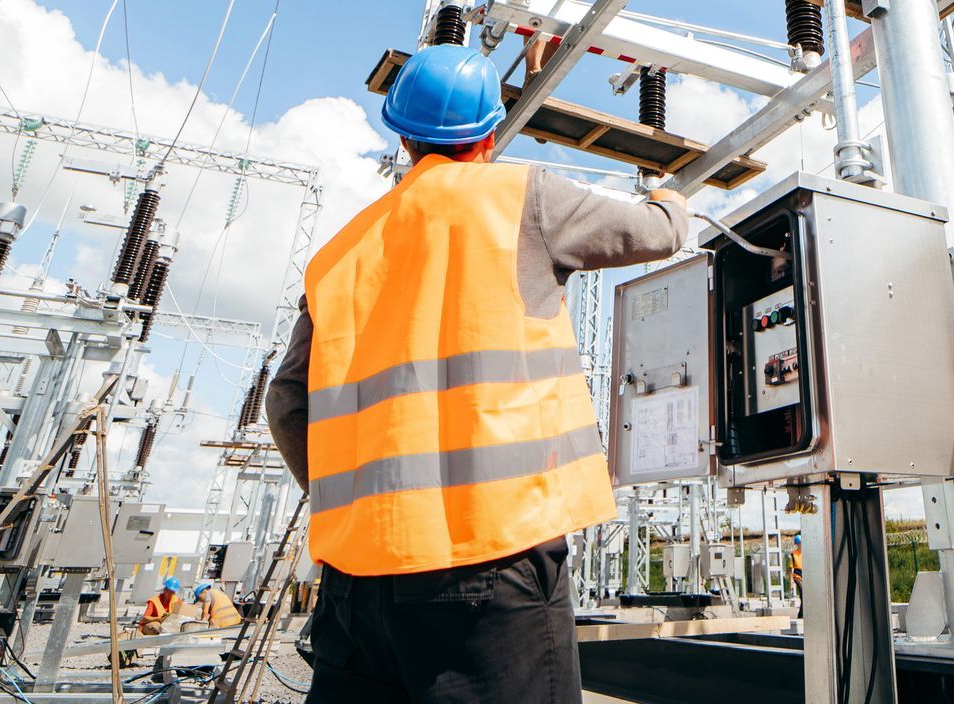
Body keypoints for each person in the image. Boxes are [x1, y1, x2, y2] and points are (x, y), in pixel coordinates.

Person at [266, 44, 690, 704]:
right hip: (493, 564)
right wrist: (670, 193)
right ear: (490, 133)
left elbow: (288, 402)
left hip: (356, 579)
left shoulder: (338, 254)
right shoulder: (525, 198)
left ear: (402, 136)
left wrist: (357, 508)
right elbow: (658, 233)